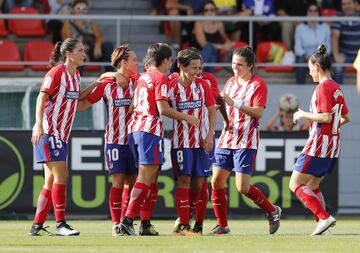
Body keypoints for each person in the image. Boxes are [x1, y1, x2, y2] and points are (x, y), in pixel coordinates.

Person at [119, 43, 199, 236]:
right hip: (149, 130)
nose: (170, 64)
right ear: (165, 60)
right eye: (170, 60)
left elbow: (131, 107)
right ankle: (127, 220)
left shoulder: (142, 77)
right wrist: (187, 117)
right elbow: (163, 109)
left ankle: (145, 223)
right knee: (145, 177)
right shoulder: (160, 78)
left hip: (135, 129)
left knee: (151, 179)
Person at [29, 38, 101, 236]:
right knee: (62, 175)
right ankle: (60, 224)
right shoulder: (56, 73)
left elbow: (77, 98)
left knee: (50, 181)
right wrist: (38, 125)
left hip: (61, 135)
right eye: (79, 50)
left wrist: (96, 83)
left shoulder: (76, 75)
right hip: (49, 131)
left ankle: (36, 226)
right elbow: (41, 97)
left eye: (83, 50)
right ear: (68, 54)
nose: (83, 54)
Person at [210, 46, 282, 235]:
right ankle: (222, 225)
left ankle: (272, 210)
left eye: (240, 65)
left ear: (250, 66)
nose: (235, 68)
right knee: (216, 181)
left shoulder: (258, 84)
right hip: (228, 138)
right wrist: (224, 118)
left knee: (242, 187)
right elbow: (224, 104)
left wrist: (236, 103)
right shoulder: (231, 82)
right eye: (233, 63)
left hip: (246, 140)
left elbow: (258, 112)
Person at [76, 45, 141, 236]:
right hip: (114, 141)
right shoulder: (106, 85)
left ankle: (125, 222)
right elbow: (83, 104)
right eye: (134, 60)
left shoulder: (138, 81)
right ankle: (115, 224)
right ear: (124, 63)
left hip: (134, 141)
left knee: (132, 182)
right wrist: (107, 76)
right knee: (118, 183)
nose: (137, 63)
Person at [289, 44, 351, 236]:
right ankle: (322, 224)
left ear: (317, 66)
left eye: (310, 68)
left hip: (318, 144)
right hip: (333, 145)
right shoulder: (337, 87)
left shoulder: (324, 88)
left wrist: (302, 114)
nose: (309, 73)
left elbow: (325, 117)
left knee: (295, 184)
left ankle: (323, 217)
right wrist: (332, 130)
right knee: (313, 185)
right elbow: (345, 118)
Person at [169, 48, 229, 234]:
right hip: (181, 141)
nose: (197, 71)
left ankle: (196, 223)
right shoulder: (170, 85)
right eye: (194, 68)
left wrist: (210, 135)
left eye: (199, 67)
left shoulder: (203, 85)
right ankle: (185, 224)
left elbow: (212, 110)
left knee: (199, 184)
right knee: (184, 181)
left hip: (202, 141)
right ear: (181, 66)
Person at [61, 0, 114, 71]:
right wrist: (83, 53)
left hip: (92, 52)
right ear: (73, 10)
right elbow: (67, 43)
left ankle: (109, 75)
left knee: (108, 46)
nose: (81, 11)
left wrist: (98, 45)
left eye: (84, 9)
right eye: (78, 8)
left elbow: (99, 35)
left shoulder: (91, 22)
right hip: (77, 52)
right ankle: (76, 79)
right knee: (77, 55)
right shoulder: (68, 23)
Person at [294, 1, 331, 84]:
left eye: (315, 11)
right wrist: (308, 57)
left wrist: (318, 57)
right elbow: (298, 48)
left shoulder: (325, 28)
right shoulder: (300, 28)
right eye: (310, 11)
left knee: (324, 62)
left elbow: (328, 47)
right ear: (306, 13)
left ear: (319, 13)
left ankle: (325, 88)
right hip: (305, 57)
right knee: (299, 61)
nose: (312, 13)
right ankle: (300, 87)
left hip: (320, 56)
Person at [190, 1, 232, 73]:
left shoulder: (219, 24)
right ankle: (207, 77)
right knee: (209, 49)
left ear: (215, 11)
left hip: (214, 54)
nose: (209, 12)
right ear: (203, 12)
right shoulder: (199, 23)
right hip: (198, 54)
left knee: (212, 54)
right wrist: (221, 46)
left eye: (212, 10)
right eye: (206, 10)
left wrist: (228, 43)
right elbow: (203, 44)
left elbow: (225, 38)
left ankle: (198, 70)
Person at [331, 0, 360, 84]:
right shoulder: (338, 17)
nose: (346, 6)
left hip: (359, 55)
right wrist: (336, 55)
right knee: (337, 67)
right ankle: (338, 93)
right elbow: (335, 36)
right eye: (344, 4)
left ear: (355, 4)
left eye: (349, 3)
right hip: (345, 54)